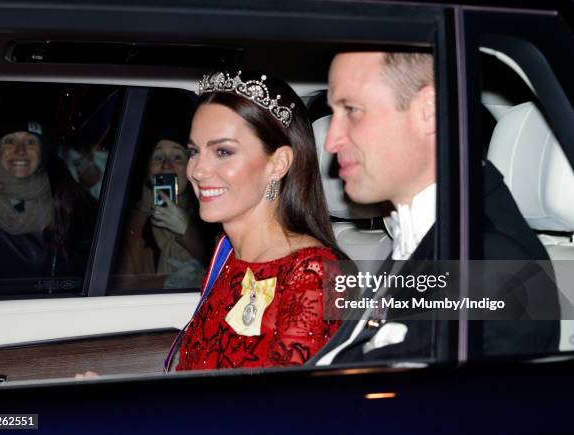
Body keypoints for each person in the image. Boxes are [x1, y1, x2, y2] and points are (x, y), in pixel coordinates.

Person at [312, 51, 560, 364]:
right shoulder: (424, 237)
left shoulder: (493, 267)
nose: (331, 140)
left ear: (428, 110)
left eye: (352, 110)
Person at [167, 71, 344, 371]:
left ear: (277, 164)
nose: (197, 170)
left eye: (223, 152)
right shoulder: (228, 257)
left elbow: (280, 412)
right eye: (195, 151)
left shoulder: (313, 275)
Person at [0, 114, 96, 291]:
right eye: (9, 141)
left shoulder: (64, 190)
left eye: (30, 142)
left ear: (42, 150)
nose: (20, 151)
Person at [116, 136, 208, 289]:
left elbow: (228, 269)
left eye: (177, 157)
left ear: (190, 168)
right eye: (158, 158)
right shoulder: (129, 223)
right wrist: (166, 283)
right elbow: (120, 290)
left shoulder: (213, 214)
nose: (166, 165)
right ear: (147, 170)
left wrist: (187, 231)